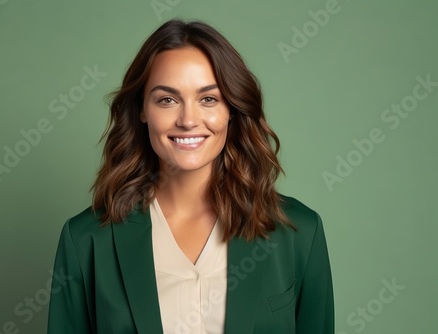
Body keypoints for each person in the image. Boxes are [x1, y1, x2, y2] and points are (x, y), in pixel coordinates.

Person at [47, 19, 334, 334]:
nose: (187, 120)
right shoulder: (87, 241)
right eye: (167, 100)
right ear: (142, 109)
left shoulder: (299, 233)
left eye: (208, 99)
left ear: (232, 109)